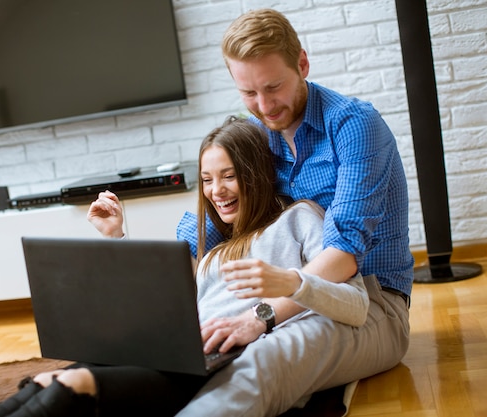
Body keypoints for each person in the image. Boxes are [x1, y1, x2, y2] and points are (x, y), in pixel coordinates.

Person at [0, 116, 369, 417]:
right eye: (206, 180)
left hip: (212, 359)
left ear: (257, 174)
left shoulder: (299, 219)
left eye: (229, 176)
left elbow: (340, 292)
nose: (216, 190)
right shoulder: (216, 248)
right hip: (175, 347)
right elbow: (162, 306)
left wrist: (270, 305)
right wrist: (116, 236)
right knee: (44, 379)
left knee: (76, 384)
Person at [173, 8, 414, 417]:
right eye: (248, 93)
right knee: (197, 358)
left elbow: (344, 254)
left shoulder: (354, 126)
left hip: (370, 302)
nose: (264, 106)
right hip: (285, 295)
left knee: (259, 363)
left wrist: (261, 317)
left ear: (302, 63)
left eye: (273, 87)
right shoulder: (259, 134)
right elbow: (207, 225)